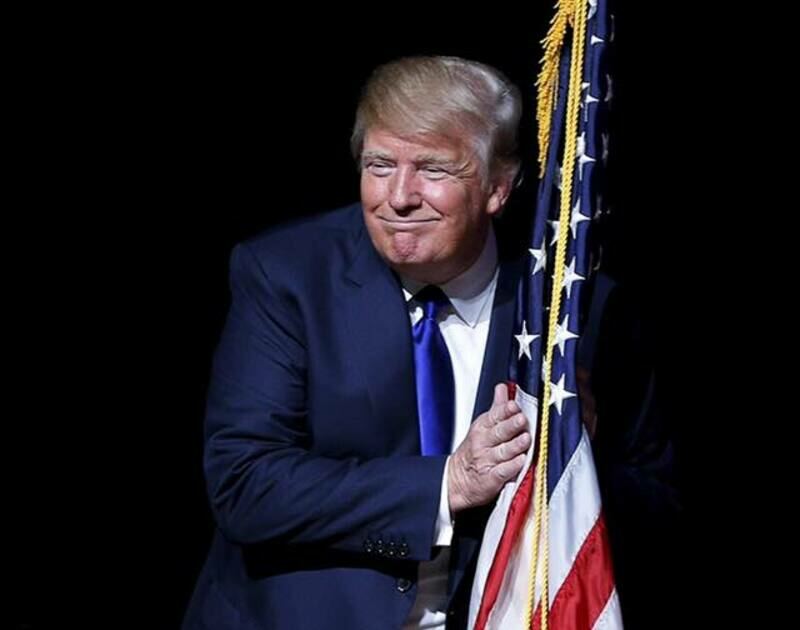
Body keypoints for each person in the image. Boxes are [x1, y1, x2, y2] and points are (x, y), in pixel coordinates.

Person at [181, 55, 677, 630]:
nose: (398, 197)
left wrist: (576, 461)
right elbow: (244, 485)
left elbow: (658, 508)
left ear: (498, 187)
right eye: (380, 165)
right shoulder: (286, 276)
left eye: (433, 169)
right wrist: (450, 483)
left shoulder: (574, 307)